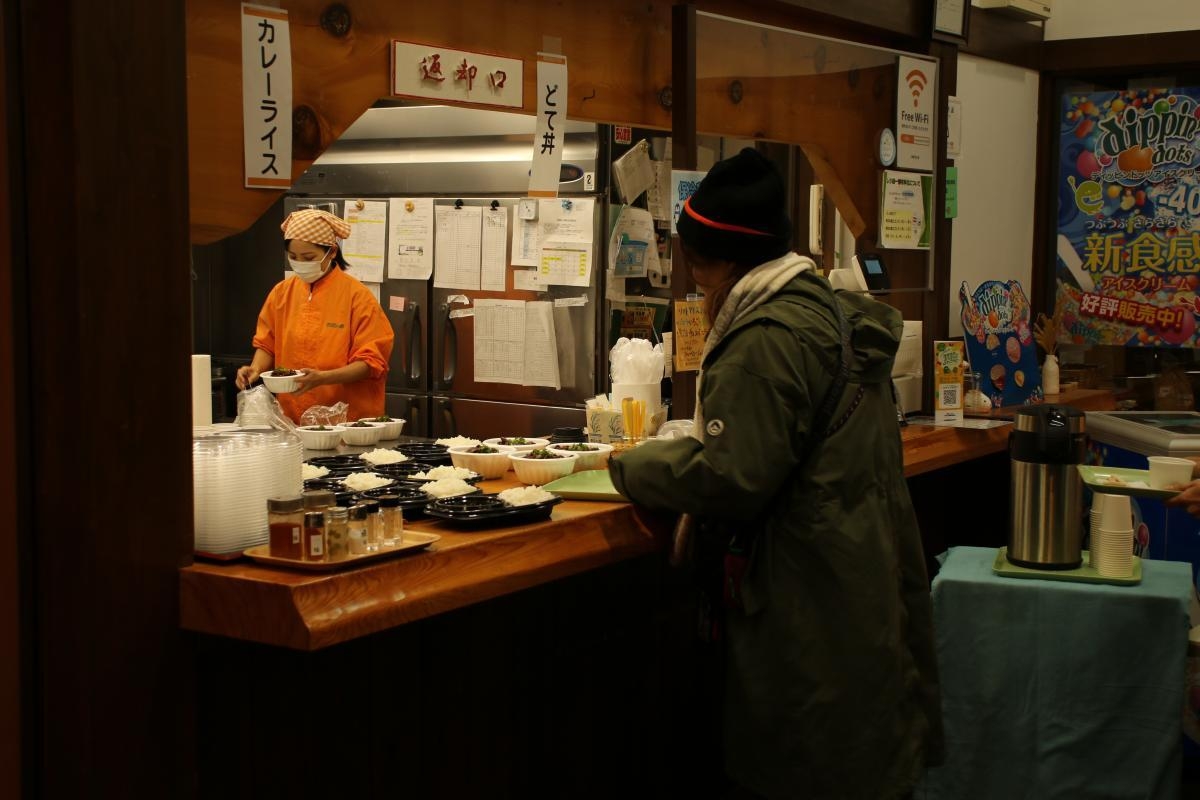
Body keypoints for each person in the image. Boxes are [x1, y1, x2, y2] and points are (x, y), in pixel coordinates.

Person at [608, 149, 942, 800]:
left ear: (725, 261)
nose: (698, 285)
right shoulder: (823, 309)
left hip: (807, 597)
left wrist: (632, 465)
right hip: (856, 582)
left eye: (698, 267)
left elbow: (733, 476)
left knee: (805, 761)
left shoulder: (763, 337)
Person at [235, 208, 394, 422]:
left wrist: (323, 378)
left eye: (309, 257)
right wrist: (255, 369)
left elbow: (372, 362)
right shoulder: (282, 293)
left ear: (332, 252)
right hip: (292, 419)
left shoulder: (357, 297)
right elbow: (266, 344)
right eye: (293, 257)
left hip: (348, 423)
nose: (300, 263)